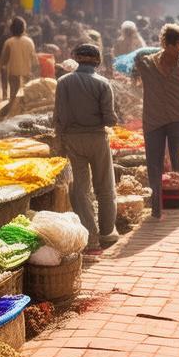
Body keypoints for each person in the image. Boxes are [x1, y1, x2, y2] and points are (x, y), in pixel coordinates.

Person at [54, 43, 119, 252]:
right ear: (97, 61)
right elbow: (110, 120)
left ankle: (90, 238)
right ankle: (107, 233)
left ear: (77, 58)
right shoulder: (103, 83)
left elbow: (59, 118)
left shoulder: (63, 82)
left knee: (81, 190)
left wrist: (60, 142)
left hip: (73, 140)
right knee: (105, 187)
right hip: (98, 139)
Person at [135, 24, 179, 220]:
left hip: (178, 118)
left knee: (178, 159)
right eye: (177, 44)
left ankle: (177, 199)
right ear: (166, 45)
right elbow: (130, 65)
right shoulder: (146, 63)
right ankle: (156, 207)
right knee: (154, 163)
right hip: (153, 120)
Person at [0, 16, 36, 102]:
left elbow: (3, 63)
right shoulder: (29, 42)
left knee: (14, 100)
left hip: (13, 76)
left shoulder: (9, 43)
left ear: (12, 29)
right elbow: (35, 62)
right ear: (24, 28)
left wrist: (4, 89)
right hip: (27, 76)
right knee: (26, 100)